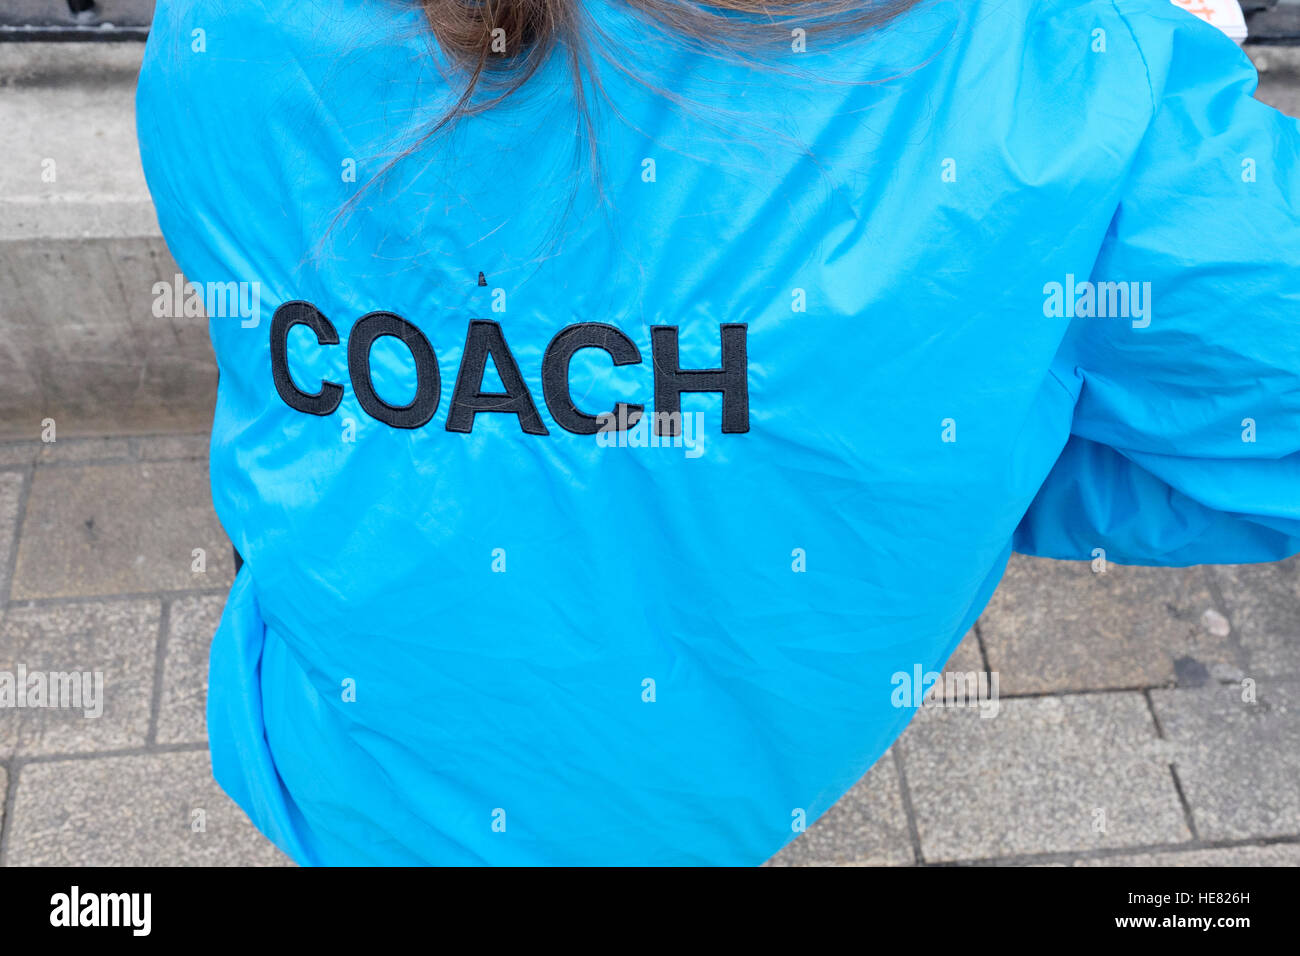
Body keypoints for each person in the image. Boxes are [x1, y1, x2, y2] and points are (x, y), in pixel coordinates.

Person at [135, 0, 1300, 865]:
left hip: (339, 760)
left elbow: (277, 352)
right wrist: (947, 438)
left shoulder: (220, 30)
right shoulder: (1051, 91)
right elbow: (1253, 448)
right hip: (695, 797)